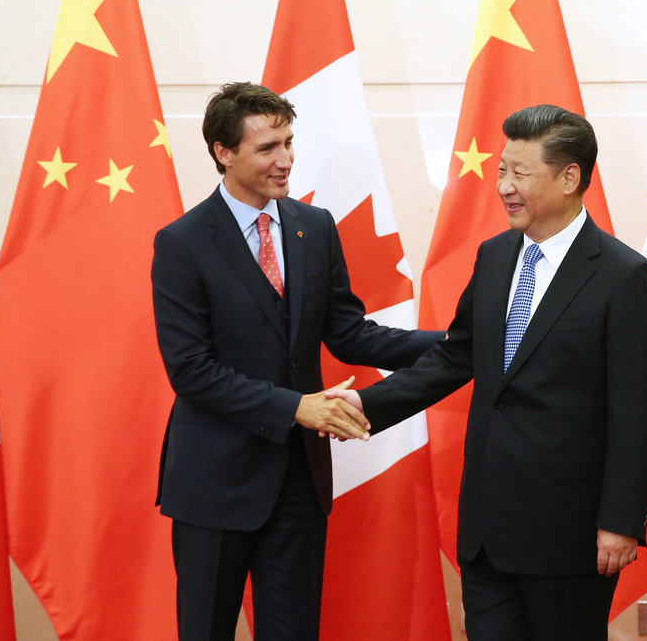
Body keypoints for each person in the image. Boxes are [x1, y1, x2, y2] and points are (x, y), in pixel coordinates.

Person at [329, 104, 647, 640]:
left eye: (519, 172)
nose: (504, 186)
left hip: (568, 529)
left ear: (569, 177)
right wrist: (367, 406)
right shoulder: (494, 256)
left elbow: (640, 411)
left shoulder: (624, 277)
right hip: (487, 528)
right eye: (501, 170)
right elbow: (456, 355)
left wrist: (621, 520)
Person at [150, 81, 442, 641]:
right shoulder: (183, 243)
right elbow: (190, 370)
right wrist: (296, 408)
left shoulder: (316, 228)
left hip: (297, 482)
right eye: (267, 148)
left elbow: (351, 335)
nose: (285, 160)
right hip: (214, 482)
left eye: (288, 142)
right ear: (223, 152)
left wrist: (457, 345)